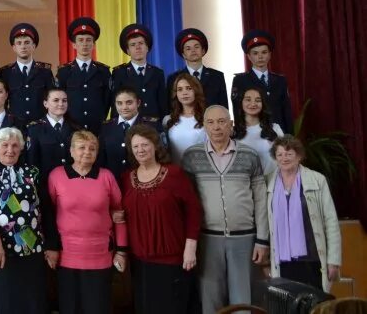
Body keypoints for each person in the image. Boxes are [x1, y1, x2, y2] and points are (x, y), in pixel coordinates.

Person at [181, 105, 269, 314]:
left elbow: (261, 200)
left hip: (245, 240)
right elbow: (188, 203)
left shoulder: (249, 155)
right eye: (210, 122)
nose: (216, 127)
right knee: (210, 301)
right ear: (204, 126)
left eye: (222, 121)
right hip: (208, 240)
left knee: (244, 302)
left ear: (231, 125)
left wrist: (262, 240)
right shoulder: (191, 156)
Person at [121, 123, 202, 314]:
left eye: (145, 145)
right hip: (140, 261)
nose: (141, 150)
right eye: (136, 146)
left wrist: (190, 248)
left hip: (173, 260)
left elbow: (194, 211)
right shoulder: (126, 178)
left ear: (155, 146)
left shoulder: (174, 174)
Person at [44, 130, 128, 314]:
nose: (87, 152)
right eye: (81, 147)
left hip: (100, 255)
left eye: (92, 148)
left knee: (98, 307)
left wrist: (121, 251)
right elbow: (48, 215)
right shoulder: (56, 176)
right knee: (69, 307)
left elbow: (119, 215)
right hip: (66, 255)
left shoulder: (107, 177)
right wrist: (50, 247)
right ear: (71, 151)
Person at [0, 127, 48, 314]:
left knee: (30, 301)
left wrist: (52, 245)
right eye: (5, 145)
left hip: (31, 249)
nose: (10, 150)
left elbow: (46, 208)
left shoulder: (33, 172)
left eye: (15, 145)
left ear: (22, 148)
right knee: (0, 301)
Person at [266, 136, 341, 292]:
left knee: (315, 305)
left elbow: (331, 221)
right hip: (282, 261)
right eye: (279, 155)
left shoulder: (317, 180)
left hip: (312, 259)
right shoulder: (268, 182)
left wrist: (333, 260)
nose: (284, 158)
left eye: (289, 154)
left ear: (299, 156)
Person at [56, 17, 112, 133]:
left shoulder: (103, 71)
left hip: (97, 128)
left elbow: (107, 100)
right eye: (80, 40)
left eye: (88, 40)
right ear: (74, 45)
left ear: (94, 44)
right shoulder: (64, 72)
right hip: (71, 128)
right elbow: (59, 99)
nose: (85, 44)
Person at [231, 30, 293, 133]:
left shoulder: (280, 80)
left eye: (264, 52)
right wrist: (240, 135)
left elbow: (286, 112)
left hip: (279, 135)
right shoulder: (240, 80)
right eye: (255, 53)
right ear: (249, 56)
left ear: (270, 54)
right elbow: (238, 110)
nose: (260, 57)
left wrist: (289, 137)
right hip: (253, 134)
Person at [98, 87, 162, 182]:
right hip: (114, 181)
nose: (124, 107)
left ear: (138, 103)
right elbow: (101, 159)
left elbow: (161, 156)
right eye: (119, 103)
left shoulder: (152, 125)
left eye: (129, 102)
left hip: (144, 181)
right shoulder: (107, 127)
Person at [0, 23, 55, 122]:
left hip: (40, 125)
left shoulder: (45, 72)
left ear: (34, 46)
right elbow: (3, 102)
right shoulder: (5, 73)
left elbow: (52, 99)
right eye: (19, 43)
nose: (23, 46)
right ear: (14, 48)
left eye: (27, 42)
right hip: (15, 126)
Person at [111, 24, 167, 121]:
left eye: (141, 43)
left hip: (153, 126)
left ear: (147, 47)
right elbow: (115, 104)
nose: (138, 47)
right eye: (133, 45)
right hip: (129, 126)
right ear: (128, 51)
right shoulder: (119, 73)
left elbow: (162, 104)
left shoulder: (157, 73)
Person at [167, 28, 229, 109]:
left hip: (210, 120)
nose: (193, 50)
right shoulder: (174, 78)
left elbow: (223, 108)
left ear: (203, 51)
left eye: (196, 47)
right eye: (188, 48)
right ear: (183, 55)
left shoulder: (217, 76)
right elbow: (170, 107)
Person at [26, 88, 79, 181]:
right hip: (45, 182)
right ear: (45, 104)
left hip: (72, 182)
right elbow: (32, 161)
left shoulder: (76, 128)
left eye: (64, 100)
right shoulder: (34, 129)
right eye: (56, 100)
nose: (61, 104)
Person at [233, 86, 284, 175]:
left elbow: (285, 158)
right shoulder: (233, 132)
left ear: (263, 104)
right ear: (241, 103)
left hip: (273, 183)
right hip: (245, 184)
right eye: (248, 100)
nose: (253, 104)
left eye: (258, 100)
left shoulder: (275, 129)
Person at [163, 73, 207, 165]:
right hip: (176, 173)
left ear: (196, 90)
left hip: (201, 172)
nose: (184, 93)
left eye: (189, 88)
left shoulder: (207, 118)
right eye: (180, 89)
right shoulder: (168, 120)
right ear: (176, 94)